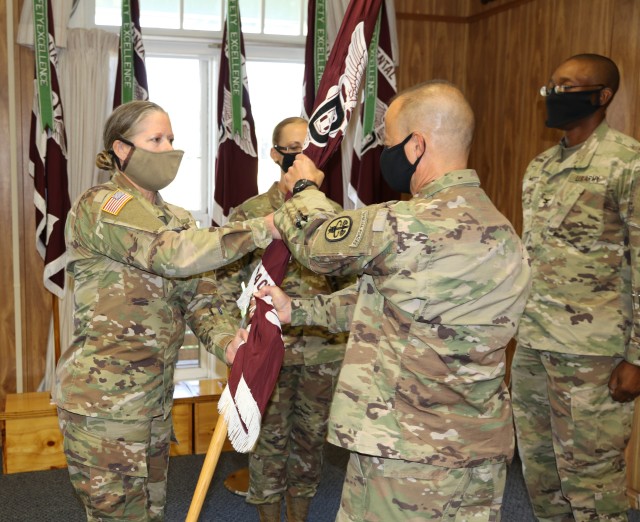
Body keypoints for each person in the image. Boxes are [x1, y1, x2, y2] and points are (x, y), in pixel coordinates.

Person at [256, 80, 531, 521]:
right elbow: (395, 303)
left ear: (416, 145)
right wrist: (300, 309)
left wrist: (305, 189)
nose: (383, 157)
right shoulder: (501, 229)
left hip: (405, 452)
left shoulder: (409, 223)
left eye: (387, 144)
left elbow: (318, 243)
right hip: (478, 447)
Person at [53, 100, 272, 521]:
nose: (168, 148)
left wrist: (228, 342)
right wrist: (264, 228)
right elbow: (170, 256)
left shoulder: (177, 218)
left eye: (170, 138)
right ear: (121, 149)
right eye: (155, 139)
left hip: (153, 401)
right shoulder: (102, 206)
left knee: (152, 512)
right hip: (105, 404)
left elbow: (201, 298)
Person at [511, 53, 640, 521]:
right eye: (552, 84)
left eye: (568, 86)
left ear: (602, 97)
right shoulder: (540, 167)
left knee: (592, 485)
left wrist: (637, 357)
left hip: (592, 354)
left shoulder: (627, 164)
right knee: (541, 475)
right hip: (533, 345)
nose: (553, 94)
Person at [216, 116, 350, 522]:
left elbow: (349, 281)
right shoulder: (253, 213)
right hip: (269, 350)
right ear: (275, 155)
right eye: (291, 148)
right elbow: (227, 278)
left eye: (308, 148)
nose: (300, 155)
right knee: (268, 445)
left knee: (309, 446)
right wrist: (228, 337)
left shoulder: (331, 214)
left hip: (321, 351)